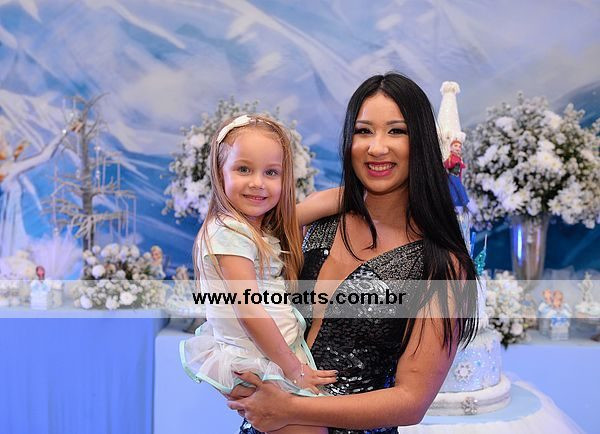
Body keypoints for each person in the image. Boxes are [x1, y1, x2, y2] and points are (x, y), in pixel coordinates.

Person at [229, 73, 479, 433]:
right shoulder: (321, 220)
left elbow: (412, 401)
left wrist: (291, 409)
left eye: (396, 131)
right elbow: (242, 250)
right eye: (364, 131)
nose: (377, 148)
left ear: (422, 141)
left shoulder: (441, 264)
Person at [179, 114, 340, 434]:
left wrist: (374, 192)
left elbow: (316, 204)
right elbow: (250, 311)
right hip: (261, 360)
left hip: (271, 357)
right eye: (243, 169)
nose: (257, 183)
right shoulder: (228, 233)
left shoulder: (258, 228)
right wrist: (294, 369)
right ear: (219, 173)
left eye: (271, 172)